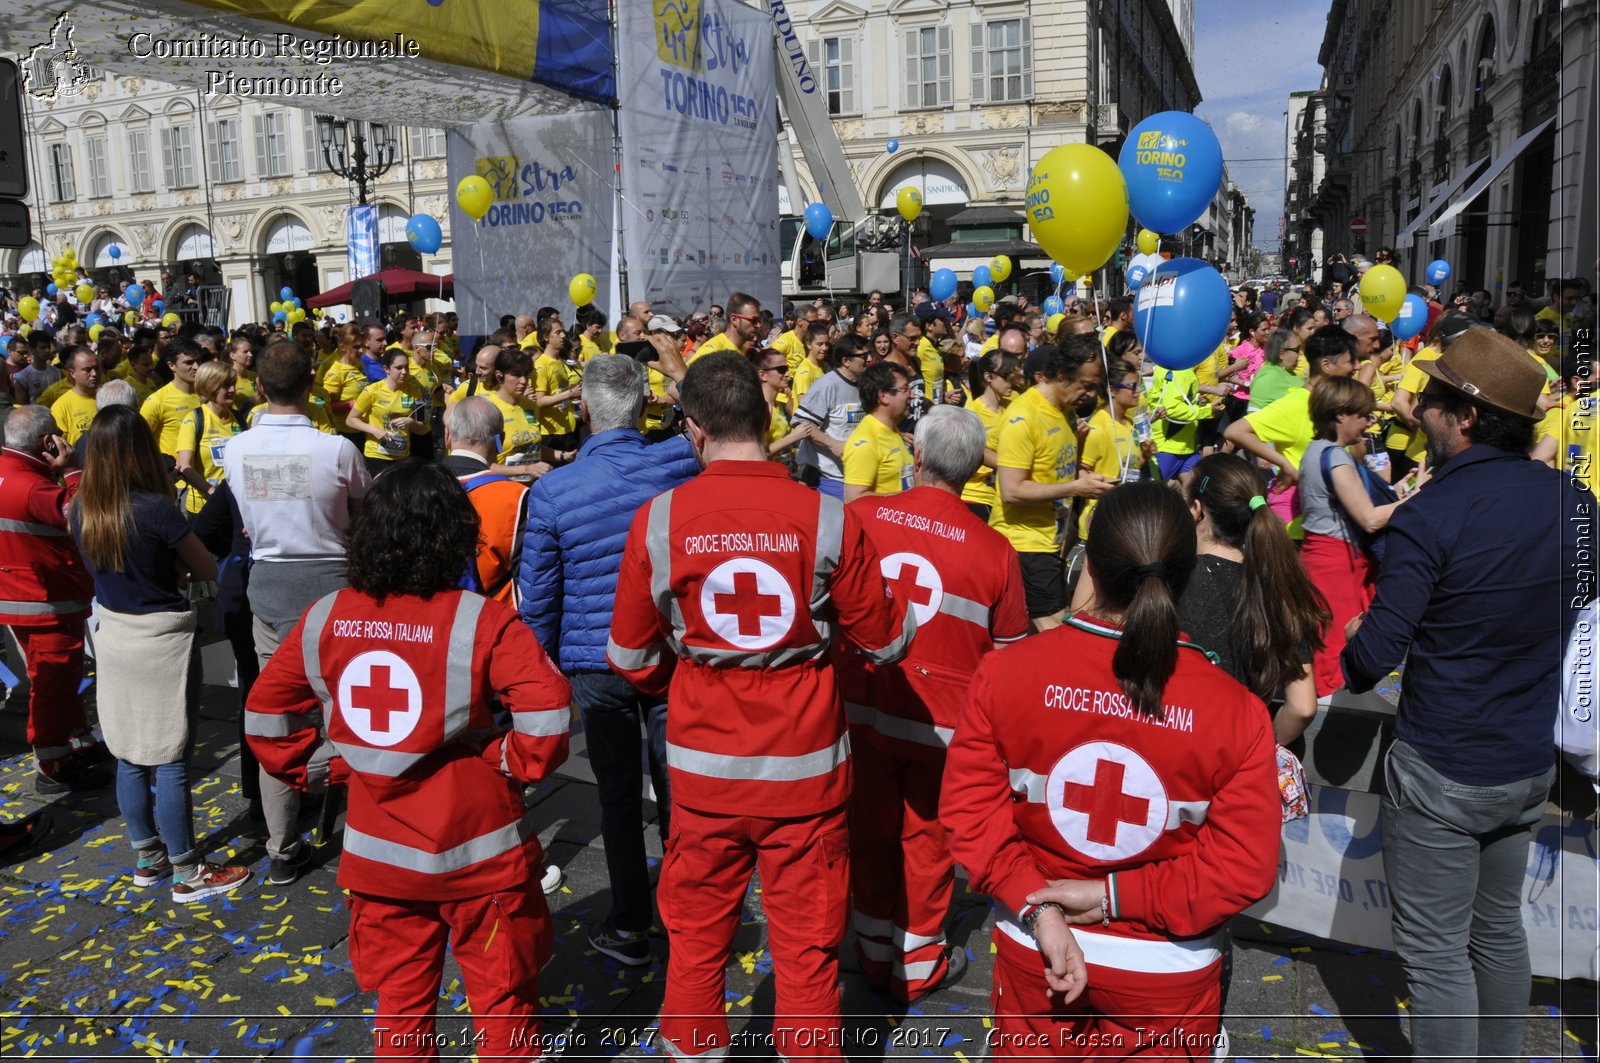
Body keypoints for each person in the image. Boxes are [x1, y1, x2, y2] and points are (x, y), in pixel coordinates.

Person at [607, 352, 914, 1061]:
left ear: (693, 428)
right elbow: (890, 639)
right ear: (769, 416)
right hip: (805, 777)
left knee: (694, 946)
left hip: (704, 774)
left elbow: (628, 657)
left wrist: (688, 678)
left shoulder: (659, 520)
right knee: (807, 957)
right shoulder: (826, 518)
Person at [941, 481, 1279, 1057]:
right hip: (1167, 970)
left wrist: (1040, 904)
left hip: (1035, 944)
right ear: (1185, 572)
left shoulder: (1006, 673)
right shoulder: (1238, 712)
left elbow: (970, 814)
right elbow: (1243, 868)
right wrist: (1116, 897)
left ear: (1087, 566)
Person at [247, 463, 572, 1061]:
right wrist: (504, 758)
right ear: (454, 536)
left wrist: (333, 769)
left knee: (400, 1008)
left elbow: (267, 718)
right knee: (505, 1003)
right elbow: (548, 719)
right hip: (482, 854)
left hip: (378, 859)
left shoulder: (326, 618)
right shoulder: (483, 620)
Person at [1341, 329, 1589, 1062]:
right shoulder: (1573, 501)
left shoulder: (1434, 512)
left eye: (1432, 403)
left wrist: (1358, 631)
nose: (1417, 412)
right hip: (1524, 760)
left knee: (1439, 954)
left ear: (1468, 417)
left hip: (1446, 761)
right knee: (1499, 930)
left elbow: (1371, 658)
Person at [843, 404, 1028, 1001]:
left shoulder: (861, 515)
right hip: (944, 730)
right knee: (928, 844)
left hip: (860, 712)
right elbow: (1009, 657)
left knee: (867, 830)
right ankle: (917, 964)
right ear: (975, 468)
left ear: (916, 457)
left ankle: (870, 949)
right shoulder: (996, 550)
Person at [520, 347, 697, 964]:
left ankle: (630, 924)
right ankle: (688, 922)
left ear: (587, 413)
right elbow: (714, 416)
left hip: (596, 662)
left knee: (618, 798)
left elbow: (538, 597)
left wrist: (535, 679)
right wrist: (676, 377)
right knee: (679, 793)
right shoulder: (680, 462)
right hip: (669, 654)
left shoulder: (554, 490)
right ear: (643, 405)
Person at [70, 405, 250, 901]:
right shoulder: (154, 508)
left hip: (114, 635)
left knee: (129, 752)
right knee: (170, 756)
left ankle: (148, 858)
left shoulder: (81, 507)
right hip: (161, 638)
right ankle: (187, 870)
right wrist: (177, 572)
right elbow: (208, 568)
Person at [221, 338, 371, 886]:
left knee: (277, 716)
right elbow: (363, 513)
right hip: (332, 587)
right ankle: (362, 833)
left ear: (260, 388)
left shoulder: (235, 450)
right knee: (346, 711)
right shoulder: (336, 450)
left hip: (271, 585)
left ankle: (283, 845)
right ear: (312, 383)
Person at [1179, 454, 1329, 745]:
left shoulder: (1171, 582)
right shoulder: (1279, 585)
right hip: (1238, 750)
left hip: (1178, 752)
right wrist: (1262, 751)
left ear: (1197, 511)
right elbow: (1302, 707)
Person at [0, 405, 112, 793]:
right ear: (48, 441)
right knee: (54, 685)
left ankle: (77, 740)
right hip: (47, 599)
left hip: (21, 595)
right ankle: (54, 764)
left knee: (59, 679)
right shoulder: (34, 488)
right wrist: (73, 471)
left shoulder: (8, 472)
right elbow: (82, 517)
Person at [1298, 377, 1423, 699]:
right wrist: (1418, 497)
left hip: (1319, 555)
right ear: (1341, 414)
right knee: (1336, 645)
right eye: (1363, 415)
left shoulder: (1315, 450)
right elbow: (1368, 520)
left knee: (1319, 641)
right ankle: (1327, 723)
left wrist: (1397, 492)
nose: (1369, 421)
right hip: (1338, 563)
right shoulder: (1337, 456)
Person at [991, 337, 1112, 630]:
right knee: (1057, 629)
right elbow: (1012, 489)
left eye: (1096, 385)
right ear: (1061, 375)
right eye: (1086, 384)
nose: (1091, 394)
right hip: (1024, 544)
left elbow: (1061, 472)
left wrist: (1094, 482)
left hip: (1051, 543)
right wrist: (1074, 488)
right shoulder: (1023, 416)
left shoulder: (1067, 412)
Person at [1224, 325, 1360, 536]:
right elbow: (1236, 431)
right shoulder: (1298, 402)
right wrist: (1286, 465)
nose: (1357, 367)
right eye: (1351, 360)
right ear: (1326, 365)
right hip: (1296, 530)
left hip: (1330, 522)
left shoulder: (1333, 404)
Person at [442, 397, 531, 606]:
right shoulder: (516, 496)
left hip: (427, 622)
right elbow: (527, 577)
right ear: (500, 440)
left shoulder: (409, 484)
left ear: (447, 436)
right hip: (492, 618)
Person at [792, 341, 868, 498]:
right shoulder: (826, 385)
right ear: (846, 361)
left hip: (855, 474)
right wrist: (833, 445)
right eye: (863, 356)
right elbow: (802, 424)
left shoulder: (865, 385)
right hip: (826, 478)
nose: (869, 359)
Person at [960, 346, 1023, 521]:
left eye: (1016, 375)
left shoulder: (1015, 400)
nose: (1013, 381)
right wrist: (1014, 465)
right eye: (1007, 376)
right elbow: (976, 452)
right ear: (988, 377)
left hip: (1007, 492)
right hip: (977, 495)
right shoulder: (973, 413)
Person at [173, 361, 241, 515]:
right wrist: (211, 491)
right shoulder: (194, 419)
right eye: (226, 385)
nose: (232, 389)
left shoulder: (239, 419)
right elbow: (184, 466)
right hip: (204, 509)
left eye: (233, 384)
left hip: (236, 507)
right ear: (210, 387)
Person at [841, 360, 914, 503]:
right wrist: (911, 497)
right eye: (905, 389)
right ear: (883, 396)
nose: (911, 395)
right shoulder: (865, 442)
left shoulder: (893, 430)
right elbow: (854, 498)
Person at [139, 337, 204, 460]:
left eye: (198, 361)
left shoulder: (209, 394)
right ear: (171, 365)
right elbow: (139, 442)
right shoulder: (157, 401)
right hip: (177, 477)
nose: (196, 367)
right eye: (189, 362)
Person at [48, 346, 101, 446]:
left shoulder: (108, 396)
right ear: (73, 373)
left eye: (97, 368)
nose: (94, 374)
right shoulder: (61, 407)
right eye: (87, 370)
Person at [1246, 329, 1304, 413]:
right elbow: (1253, 414)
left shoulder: (1288, 371)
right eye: (1297, 349)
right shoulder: (1268, 376)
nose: (1300, 353)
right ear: (1282, 354)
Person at [690, 291, 761, 360]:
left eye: (759, 320)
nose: (758, 325)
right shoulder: (713, 352)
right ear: (734, 320)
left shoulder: (745, 350)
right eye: (754, 320)